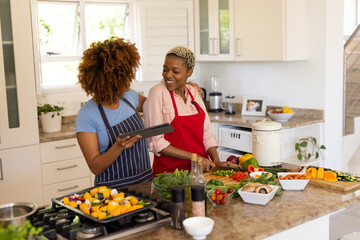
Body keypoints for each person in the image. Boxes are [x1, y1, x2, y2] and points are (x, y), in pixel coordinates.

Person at [143, 46, 238, 177]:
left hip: (201, 173)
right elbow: (156, 142)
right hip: (170, 176)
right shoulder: (157, 92)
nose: (168, 75)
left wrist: (216, 162)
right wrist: (194, 157)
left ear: (189, 72)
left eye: (175, 71)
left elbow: (207, 135)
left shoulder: (194, 93)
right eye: (165, 70)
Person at [75, 37, 152, 187]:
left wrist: (183, 87)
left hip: (146, 183)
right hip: (112, 194)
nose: (131, 78)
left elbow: (157, 105)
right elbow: (95, 166)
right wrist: (118, 146)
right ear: (111, 79)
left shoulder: (129, 97)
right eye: (126, 75)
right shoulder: (87, 115)